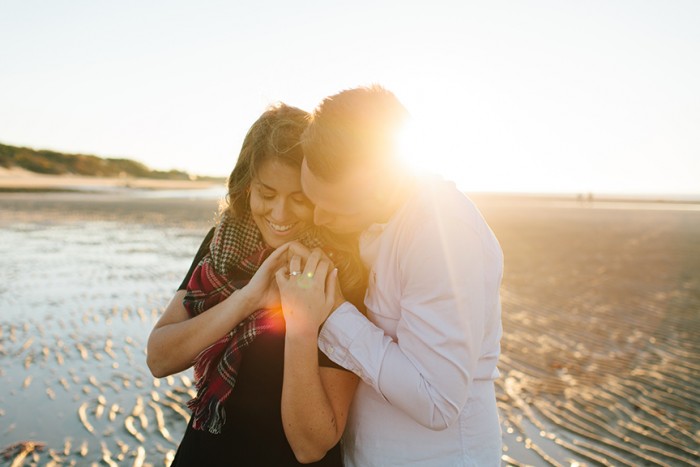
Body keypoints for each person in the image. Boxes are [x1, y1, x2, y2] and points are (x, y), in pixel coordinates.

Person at [290, 85, 504, 466]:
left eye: (334, 208)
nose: (319, 219)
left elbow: (438, 401)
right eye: (312, 200)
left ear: (380, 188)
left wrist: (333, 313)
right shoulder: (380, 214)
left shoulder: (441, 233)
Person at [146, 103, 366, 466]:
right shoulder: (224, 244)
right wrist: (247, 299)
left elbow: (311, 445)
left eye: (299, 199)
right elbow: (159, 357)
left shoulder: (342, 269)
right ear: (247, 186)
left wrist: (301, 324)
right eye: (267, 193)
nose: (279, 215)